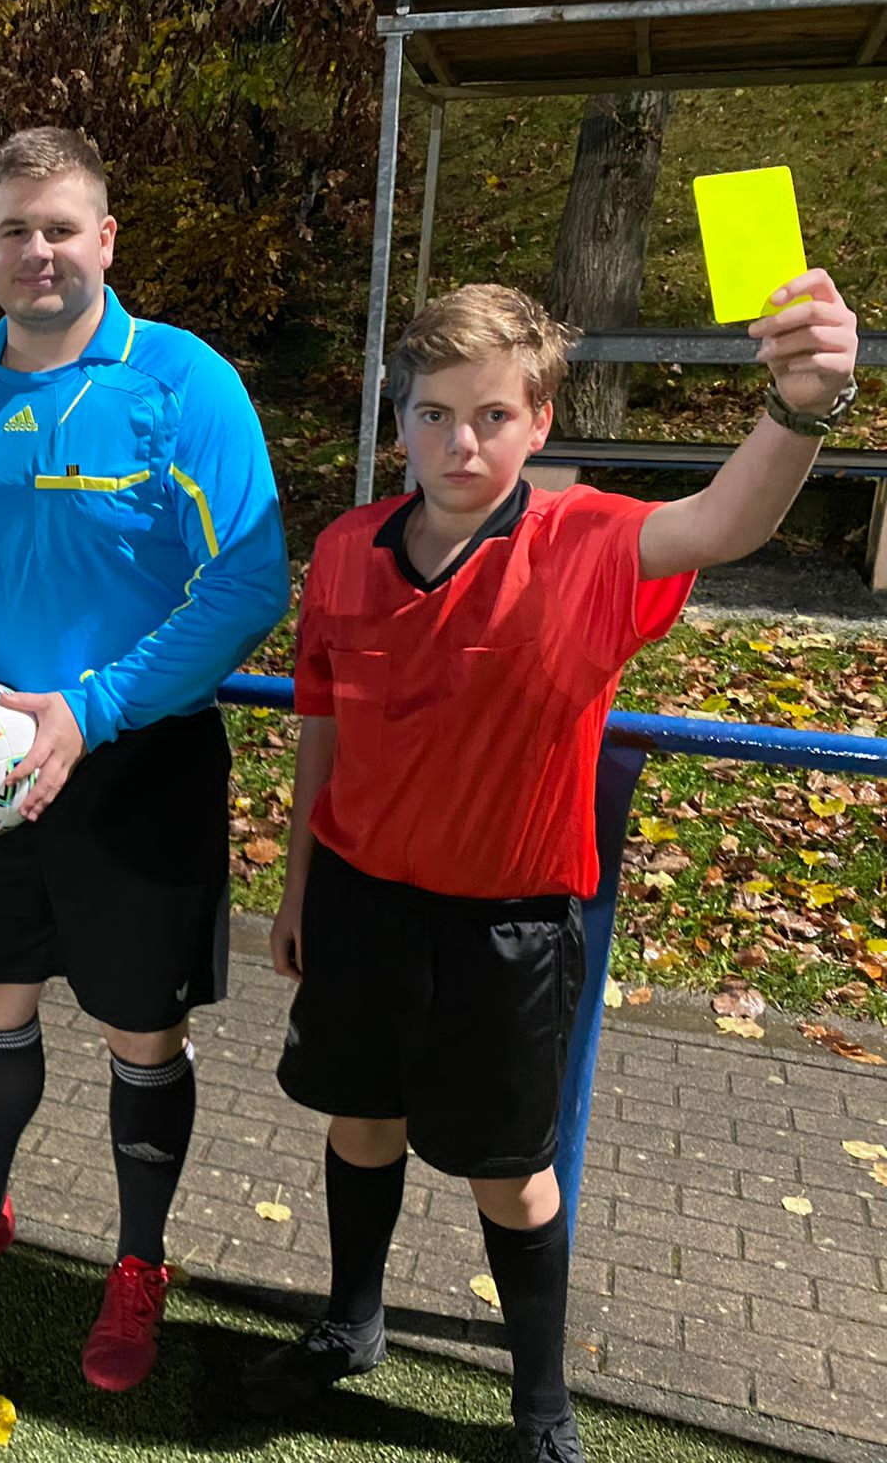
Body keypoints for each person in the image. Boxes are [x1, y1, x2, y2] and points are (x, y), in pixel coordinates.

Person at [243, 273, 860, 1461]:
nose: (459, 441)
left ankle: (539, 1407)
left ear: (536, 425)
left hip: (507, 930)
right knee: (358, 1124)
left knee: (509, 1179)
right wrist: (297, 886)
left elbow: (723, 523)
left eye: (491, 416)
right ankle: (349, 1324)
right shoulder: (341, 553)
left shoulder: (581, 543)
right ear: (399, 419)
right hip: (362, 907)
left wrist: (798, 408)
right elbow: (322, 724)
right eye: (432, 413)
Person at [0, 126, 290, 1391]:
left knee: (135, 1032)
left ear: (105, 239)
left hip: (135, 765)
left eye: (60, 227)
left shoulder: (182, 381)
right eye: (12, 229)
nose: (36, 251)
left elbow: (247, 582)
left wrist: (91, 706)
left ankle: (136, 1264)